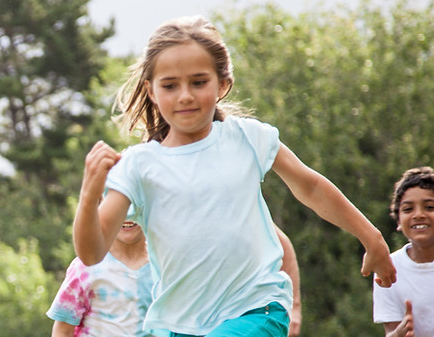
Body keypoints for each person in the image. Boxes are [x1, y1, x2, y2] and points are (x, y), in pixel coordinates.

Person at [71, 16, 395, 336]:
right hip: (177, 326)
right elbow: (92, 252)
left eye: (198, 82)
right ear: (151, 91)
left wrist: (371, 237)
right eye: (170, 85)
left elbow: (310, 186)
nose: (185, 95)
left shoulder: (247, 138)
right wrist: (89, 196)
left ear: (222, 84)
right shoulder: (139, 165)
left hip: (257, 309)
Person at [50, 220, 302, 337]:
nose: (127, 214)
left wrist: (295, 308)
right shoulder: (86, 267)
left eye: (134, 204)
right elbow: (63, 326)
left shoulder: (169, 258)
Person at [374, 166, 434, 337]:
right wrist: (399, 334)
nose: (419, 215)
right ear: (398, 221)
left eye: (429, 207)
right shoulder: (388, 268)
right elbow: (391, 332)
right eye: (408, 209)